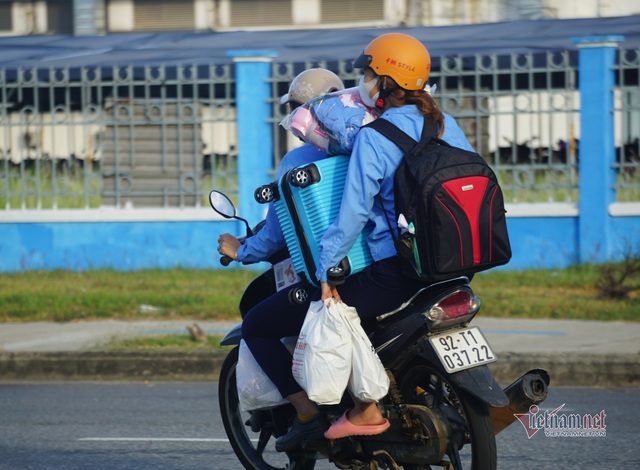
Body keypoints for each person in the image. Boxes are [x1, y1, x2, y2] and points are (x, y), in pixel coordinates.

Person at [233, 33, 476, 453]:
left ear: (384, 80)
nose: (361, 83)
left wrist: (327, 270)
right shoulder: (444, 124)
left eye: (367, 74)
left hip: (393, 270)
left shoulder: (373, 136)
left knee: (267, 323)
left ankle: (341, 412)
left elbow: (354, 212)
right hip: (451, 262)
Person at [217, 68, 345, 263]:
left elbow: (277, 232)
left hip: (322, 263)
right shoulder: (356, 149)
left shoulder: (296, 160)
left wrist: (241, 252)